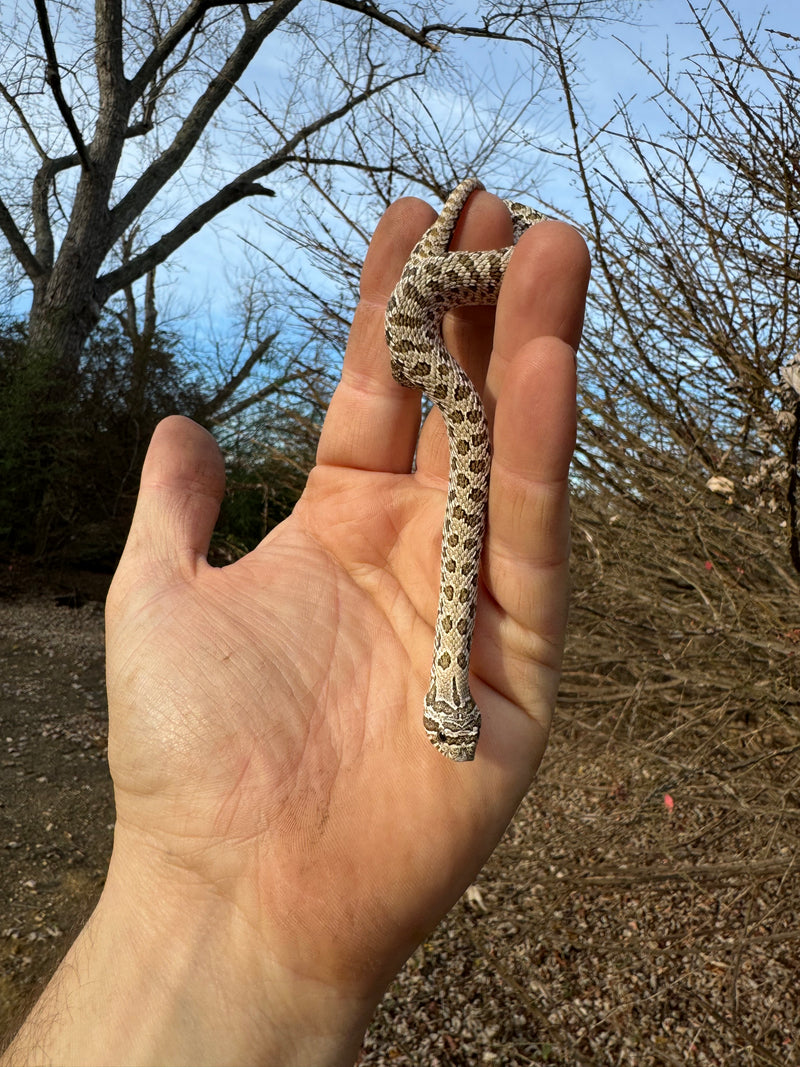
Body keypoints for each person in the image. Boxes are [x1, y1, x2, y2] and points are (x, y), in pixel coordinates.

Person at [1, 187, 589, 1066]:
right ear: (448, 699)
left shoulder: (452, 658)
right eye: (450, 718)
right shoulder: (450, 658)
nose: (453, 729)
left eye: (448, 722)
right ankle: (473, 256)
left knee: (497, 304)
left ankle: (484, 261)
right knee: (458, 297)